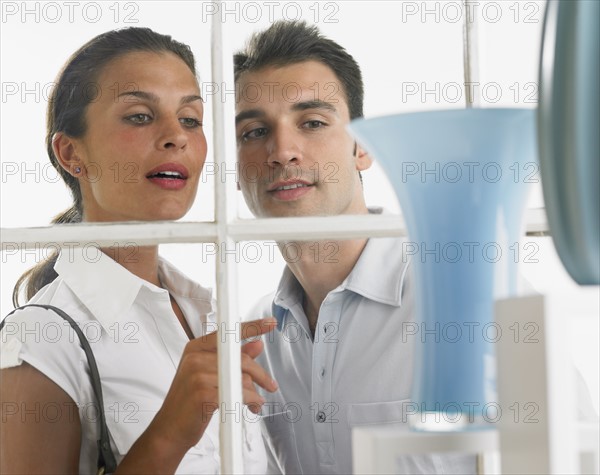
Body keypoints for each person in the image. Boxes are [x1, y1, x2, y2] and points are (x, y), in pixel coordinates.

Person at [0, 27, 278, 474]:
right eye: (139, 116)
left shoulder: (207, 309)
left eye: (190, 118)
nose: (176, 137)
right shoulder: (37, 340)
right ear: (70, 152)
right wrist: (169, 435)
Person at [234, 21, 476, 474]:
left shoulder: (462, 296)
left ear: (362, 146)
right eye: (253, 132)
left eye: (312, 122)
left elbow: (571, 454)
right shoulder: (256, 338)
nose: (282, 150)